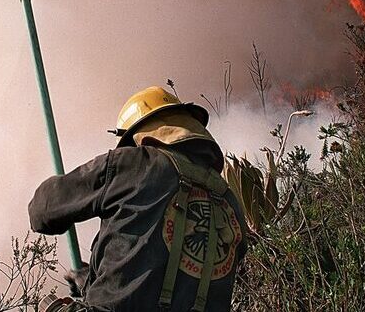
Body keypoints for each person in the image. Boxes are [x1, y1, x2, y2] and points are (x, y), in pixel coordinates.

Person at [29, 86, 248, 312]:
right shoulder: (230, 202)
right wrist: (95, 279)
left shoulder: (133, 164)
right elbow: (168, 269)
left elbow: (42, 210)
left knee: (51, 306)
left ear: (138, 136)